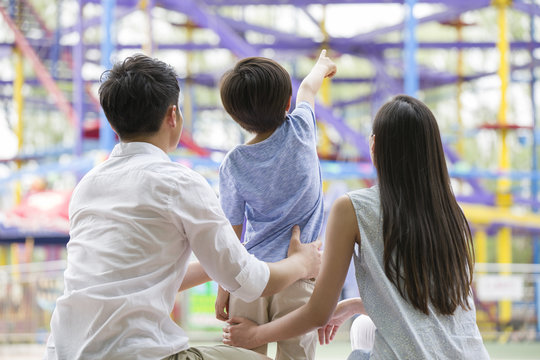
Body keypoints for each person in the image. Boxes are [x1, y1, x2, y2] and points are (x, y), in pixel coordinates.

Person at [44, 54, 321, 360]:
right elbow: (249, 279)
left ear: (112, 121)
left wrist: (225, 271)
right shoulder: (179, 184)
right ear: (172, 115)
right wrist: (302, 264)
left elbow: (139, 278)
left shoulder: (88, 186)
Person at [223, 95, 490, 360]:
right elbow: (432, 302)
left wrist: (255, 336)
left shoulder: (353, 208)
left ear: (374, 145)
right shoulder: (452, 212)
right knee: (363, 326)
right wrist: (352, 306)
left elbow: (318, 313)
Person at [214, 50, 336, 359]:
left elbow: (233, 233)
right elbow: (308, 88)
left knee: (246, 354)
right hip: (298, 273)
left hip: (251, 275)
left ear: (236, 117)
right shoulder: (301, 130)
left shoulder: (234, 162)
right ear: (286, 103)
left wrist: (223, 289)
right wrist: (322, 65)